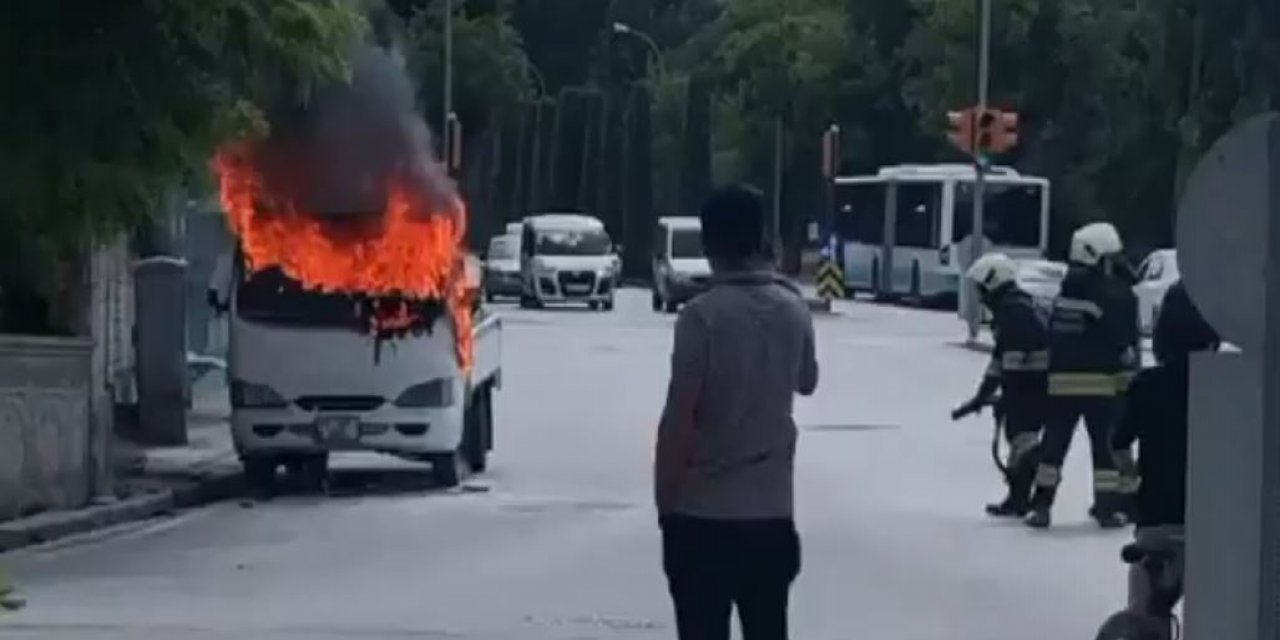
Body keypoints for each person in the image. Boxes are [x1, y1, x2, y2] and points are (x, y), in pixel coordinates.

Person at [654, 184, 818, 640]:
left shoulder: (700, 317)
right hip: (770, 517)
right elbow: (807, 381)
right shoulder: (792, 310)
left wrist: (666, 504)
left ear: (708, 245)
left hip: (702, 518)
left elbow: (679, 419)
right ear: (763, 239)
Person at [1109, 280, 1218, 613]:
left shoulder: (1147, 385)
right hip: (1214, 523)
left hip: (1156, 520)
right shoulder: (1225, 388)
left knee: (1141, 613)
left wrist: (1132, 477)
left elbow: (1119, 446)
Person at [1027, 222, 1141, 529]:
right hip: (1101, 385)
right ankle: (1106, 509)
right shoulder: (1112, 293)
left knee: (1053, 448)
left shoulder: (1066, 290)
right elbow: (1123, 339)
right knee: (1104, 450)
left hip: (1061, 384)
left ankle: (1041, 505)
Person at [951, 253, 1049, 518]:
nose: (981, 295)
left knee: (1023, 442)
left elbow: (1014, 361)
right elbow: (999, 362)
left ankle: (1022, 498)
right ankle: (1017, 498)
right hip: (1031, 386)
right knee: (1019, 440)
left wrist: (1006, 396)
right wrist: (981, 397)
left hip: (1031, 388)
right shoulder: (1015, 307)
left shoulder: (1013, 311)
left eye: (982, 288)